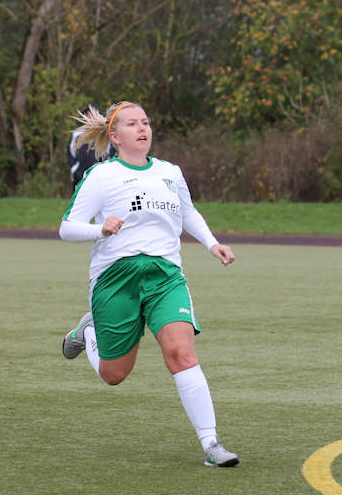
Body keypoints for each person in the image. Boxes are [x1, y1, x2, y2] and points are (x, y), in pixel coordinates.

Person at [58, 100, 240, 467]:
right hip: (116, 279)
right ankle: (88, 330)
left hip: (165, 276)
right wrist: (100, 228)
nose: (142, 128)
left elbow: (187, 212)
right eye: (131, 124)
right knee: (114, 374)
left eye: (146, 122)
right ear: (114, 136)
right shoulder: (101, 176)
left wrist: (212, 242)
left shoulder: (170, 172)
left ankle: (211, 444)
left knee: (181, 353)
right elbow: (66, 228)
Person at [67, 103, 113, 193]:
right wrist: (74, 169)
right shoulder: (77, 134)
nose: (90, 116)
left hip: (99, 177)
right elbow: (71, 153)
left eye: (93, 113)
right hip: (79, 176)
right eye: (88, 114)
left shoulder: (103, 135)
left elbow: (109, 153)